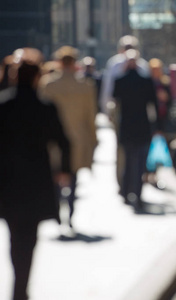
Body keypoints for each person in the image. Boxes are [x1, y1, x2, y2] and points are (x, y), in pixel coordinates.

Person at [0, 48, 71, 300]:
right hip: (35, 181)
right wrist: (64, 170)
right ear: (36, 77)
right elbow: (63, 141)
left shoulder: (4, 106)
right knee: (28, 237)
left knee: (14, 233)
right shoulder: (45, 107)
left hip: (7, 181)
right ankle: (21, 287)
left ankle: (19, 285)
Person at [39, 46, 98, 229]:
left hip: (53, 140)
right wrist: (93, 139)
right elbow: (91, 116)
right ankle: (70, 213)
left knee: (56, 175)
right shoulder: (85, 86)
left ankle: (57, 211)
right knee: (73, 177)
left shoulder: (48, 84)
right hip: (78, 138)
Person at [112, 49, 160, 212]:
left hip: (127, 127)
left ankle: (126, 192)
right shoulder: (145, 81)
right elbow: (154, 103)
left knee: (128, 161)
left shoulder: (121, 80)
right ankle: (137, 194)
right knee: (139, 163)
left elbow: (114, 98)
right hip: (141, 127)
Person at [99, 35, 150, 116]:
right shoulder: (114, 63)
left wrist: (106, 108)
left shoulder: (142, 64)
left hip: (137, 104)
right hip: (121, 104)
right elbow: (108, 86)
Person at [149, 58, 172, 133]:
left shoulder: (165, 82)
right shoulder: (147, 83)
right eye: (154, 69)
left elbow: (171, 99)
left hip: (164, 114)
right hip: (151, 114)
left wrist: (166, 97)